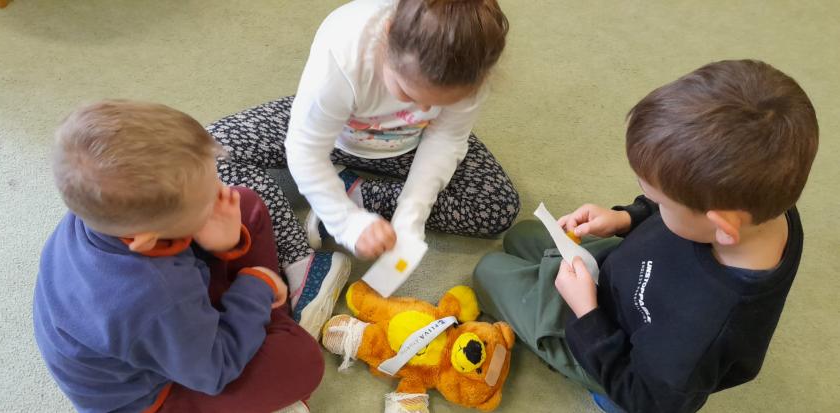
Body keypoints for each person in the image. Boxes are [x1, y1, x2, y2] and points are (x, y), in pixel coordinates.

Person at [473, 60, 819, 412]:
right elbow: (684, 207)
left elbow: (646, 399)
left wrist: (586, 314)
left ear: (721, 227)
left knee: (488, 271)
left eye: (660, 201)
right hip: (620, 273)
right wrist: (627, 217)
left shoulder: (697, 335)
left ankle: (605, 398)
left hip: (609, 347)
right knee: (521, 236)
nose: (652, 201)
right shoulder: (762, 205)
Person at [209, 0, 519, 331]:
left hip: (408, 147)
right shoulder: (343, 50)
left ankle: (355, 193)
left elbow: (445, 139)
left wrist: (411, 215)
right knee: (206, 154)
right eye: (407, 92)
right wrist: (345, 223)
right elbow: (305, 148)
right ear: (388, 36)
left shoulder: (472, 62)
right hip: (333, 134)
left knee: (498, 206)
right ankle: (303, 261)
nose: (423, 109)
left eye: (440, 103)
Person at [34, 100, 323, 413]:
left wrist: (226, 244)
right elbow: (214, 369)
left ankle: (261, 316)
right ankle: (268, 316)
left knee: (245, 204)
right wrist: (257, 287)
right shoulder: (156, 295)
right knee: (303, 362)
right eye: (208, 198)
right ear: (149, 239)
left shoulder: (103, 209)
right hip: (157, 396)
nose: (221, 189)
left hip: (168, 333)